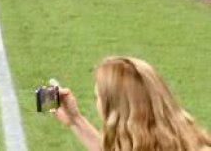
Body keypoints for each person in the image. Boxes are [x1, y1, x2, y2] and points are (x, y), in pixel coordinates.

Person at [50, 56, 211, 151]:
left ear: (117, 111)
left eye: (97, 97)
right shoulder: (184, 140)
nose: (96, 104)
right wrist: (76, 120)